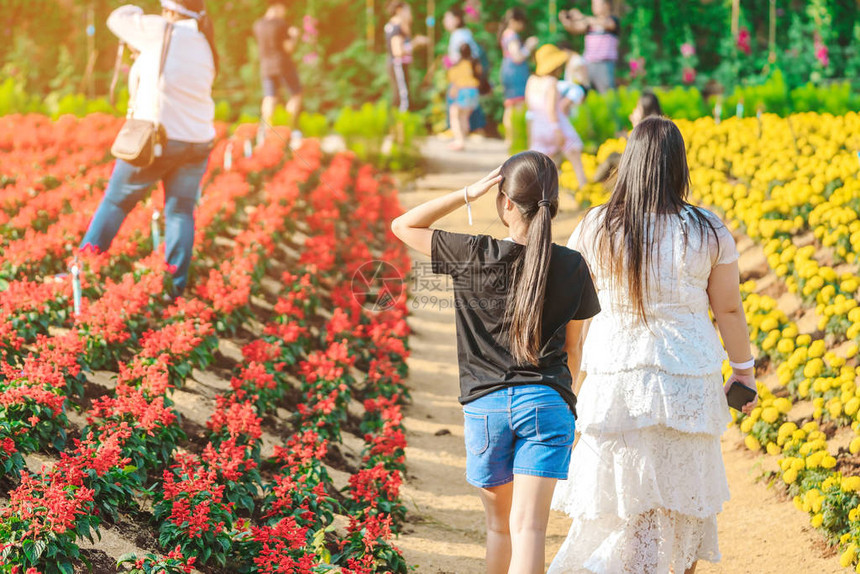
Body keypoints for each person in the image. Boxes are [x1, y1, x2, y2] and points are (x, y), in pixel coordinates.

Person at [549, 117, 757, 574]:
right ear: (679, 166)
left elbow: (571, 313)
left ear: (630, 163)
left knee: (624, 509)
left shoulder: (596, 226)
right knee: (683, 508)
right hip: (687, 381)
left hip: (613, 380)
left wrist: (565, 379)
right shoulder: (707, 229)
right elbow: (729, 311)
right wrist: (743, 371)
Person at [391, 151, 600, 574]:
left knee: (498, 529)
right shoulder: (573, 265)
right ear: (553, 203)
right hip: (547, 404)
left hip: (485, 409)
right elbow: (575, 351)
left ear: (505, 203)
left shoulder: (473, 253)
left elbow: (403, 225)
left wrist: (468, 193)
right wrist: (564, 401)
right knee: (530, 531)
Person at [80, 0, 217, 297]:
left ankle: (83, 268)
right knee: (180, 212)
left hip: (160, 141)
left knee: (116, 202)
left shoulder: (159, 28)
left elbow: (118, 18)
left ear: (168, 8)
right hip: (198, 142)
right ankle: (174, 288)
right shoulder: (203, 42)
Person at [525, 45, 588, 188]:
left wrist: (530, 133)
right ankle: (583, 189)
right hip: (554, 126)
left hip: (537, 127)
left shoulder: (531, 81)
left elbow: (530, 109)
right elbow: (551, 110)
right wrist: (557, 130)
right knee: (574, 153)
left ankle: (538, 196)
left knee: (541, 165)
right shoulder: (551, 83)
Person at [592, 91, 663, 183]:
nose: (634, 112)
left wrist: (636, 126)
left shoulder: (647, 129)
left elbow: (640, 150)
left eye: (638, 108)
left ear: (646, 111)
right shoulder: (660, 125)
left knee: (612, 157)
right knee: (613, 157)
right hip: (643, 164)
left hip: (642, 166)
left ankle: (593, 183)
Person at [253, 3, 302, 136]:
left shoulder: (258, 25)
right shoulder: (281, 24)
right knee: (296, 94)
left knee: (269, 97)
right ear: (279, 6)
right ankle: (287, 128)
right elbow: (288, 48)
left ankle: (266, 130)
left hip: (266, 66)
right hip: (283, 64)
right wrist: (294, 36)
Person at [560, 0, 620, 93]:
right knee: (586, 93)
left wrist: (581, 16)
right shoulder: (590, 23)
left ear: (607, 5)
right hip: (588, 63)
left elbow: (607, 24)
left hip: (604, 64)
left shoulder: (612, 20)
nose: (594, 7)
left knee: (606, 94)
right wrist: (566, 20)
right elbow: (575, 29)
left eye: (597, 4)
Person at [443, 6, 487, 133]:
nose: (445, 21)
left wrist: (449, 63)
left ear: (457, 19)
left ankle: (457, 132)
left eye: (447, 18)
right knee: (469, 108)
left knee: (456, 108)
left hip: (461, 78)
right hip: (472, 77)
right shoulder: (466, 32)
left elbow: (457, 58)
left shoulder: (458, 35)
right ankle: (470, 131)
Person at [498, 8, 538, 146]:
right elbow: (517, 56)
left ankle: (509, 139)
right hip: (515, 74)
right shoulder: (512, 36)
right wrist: (528, 46)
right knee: (517, 105)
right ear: (515, 21)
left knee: (510, 105)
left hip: (508, 71)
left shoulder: (506, 34)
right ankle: (514, 138)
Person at [385, 1, 426, 113]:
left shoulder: (398, 26)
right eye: (408, 11)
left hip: (400, 65)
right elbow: (397, 51)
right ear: (399, 11)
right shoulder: (396, 27)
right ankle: (401, 124)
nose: (409, 14)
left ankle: (399, 124)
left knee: (401, 94)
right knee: (403, 96)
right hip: (398, 64)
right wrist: (416, 43)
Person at [447, 44, 482, 151]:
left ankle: (459, 141)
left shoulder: (458, 65)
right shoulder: (474, 63)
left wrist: (452, 93)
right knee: (464, 117)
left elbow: (454, 81)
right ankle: (462, 140)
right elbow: (480, 75)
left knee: (454, 114)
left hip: (463, 91)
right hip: (474, 91)